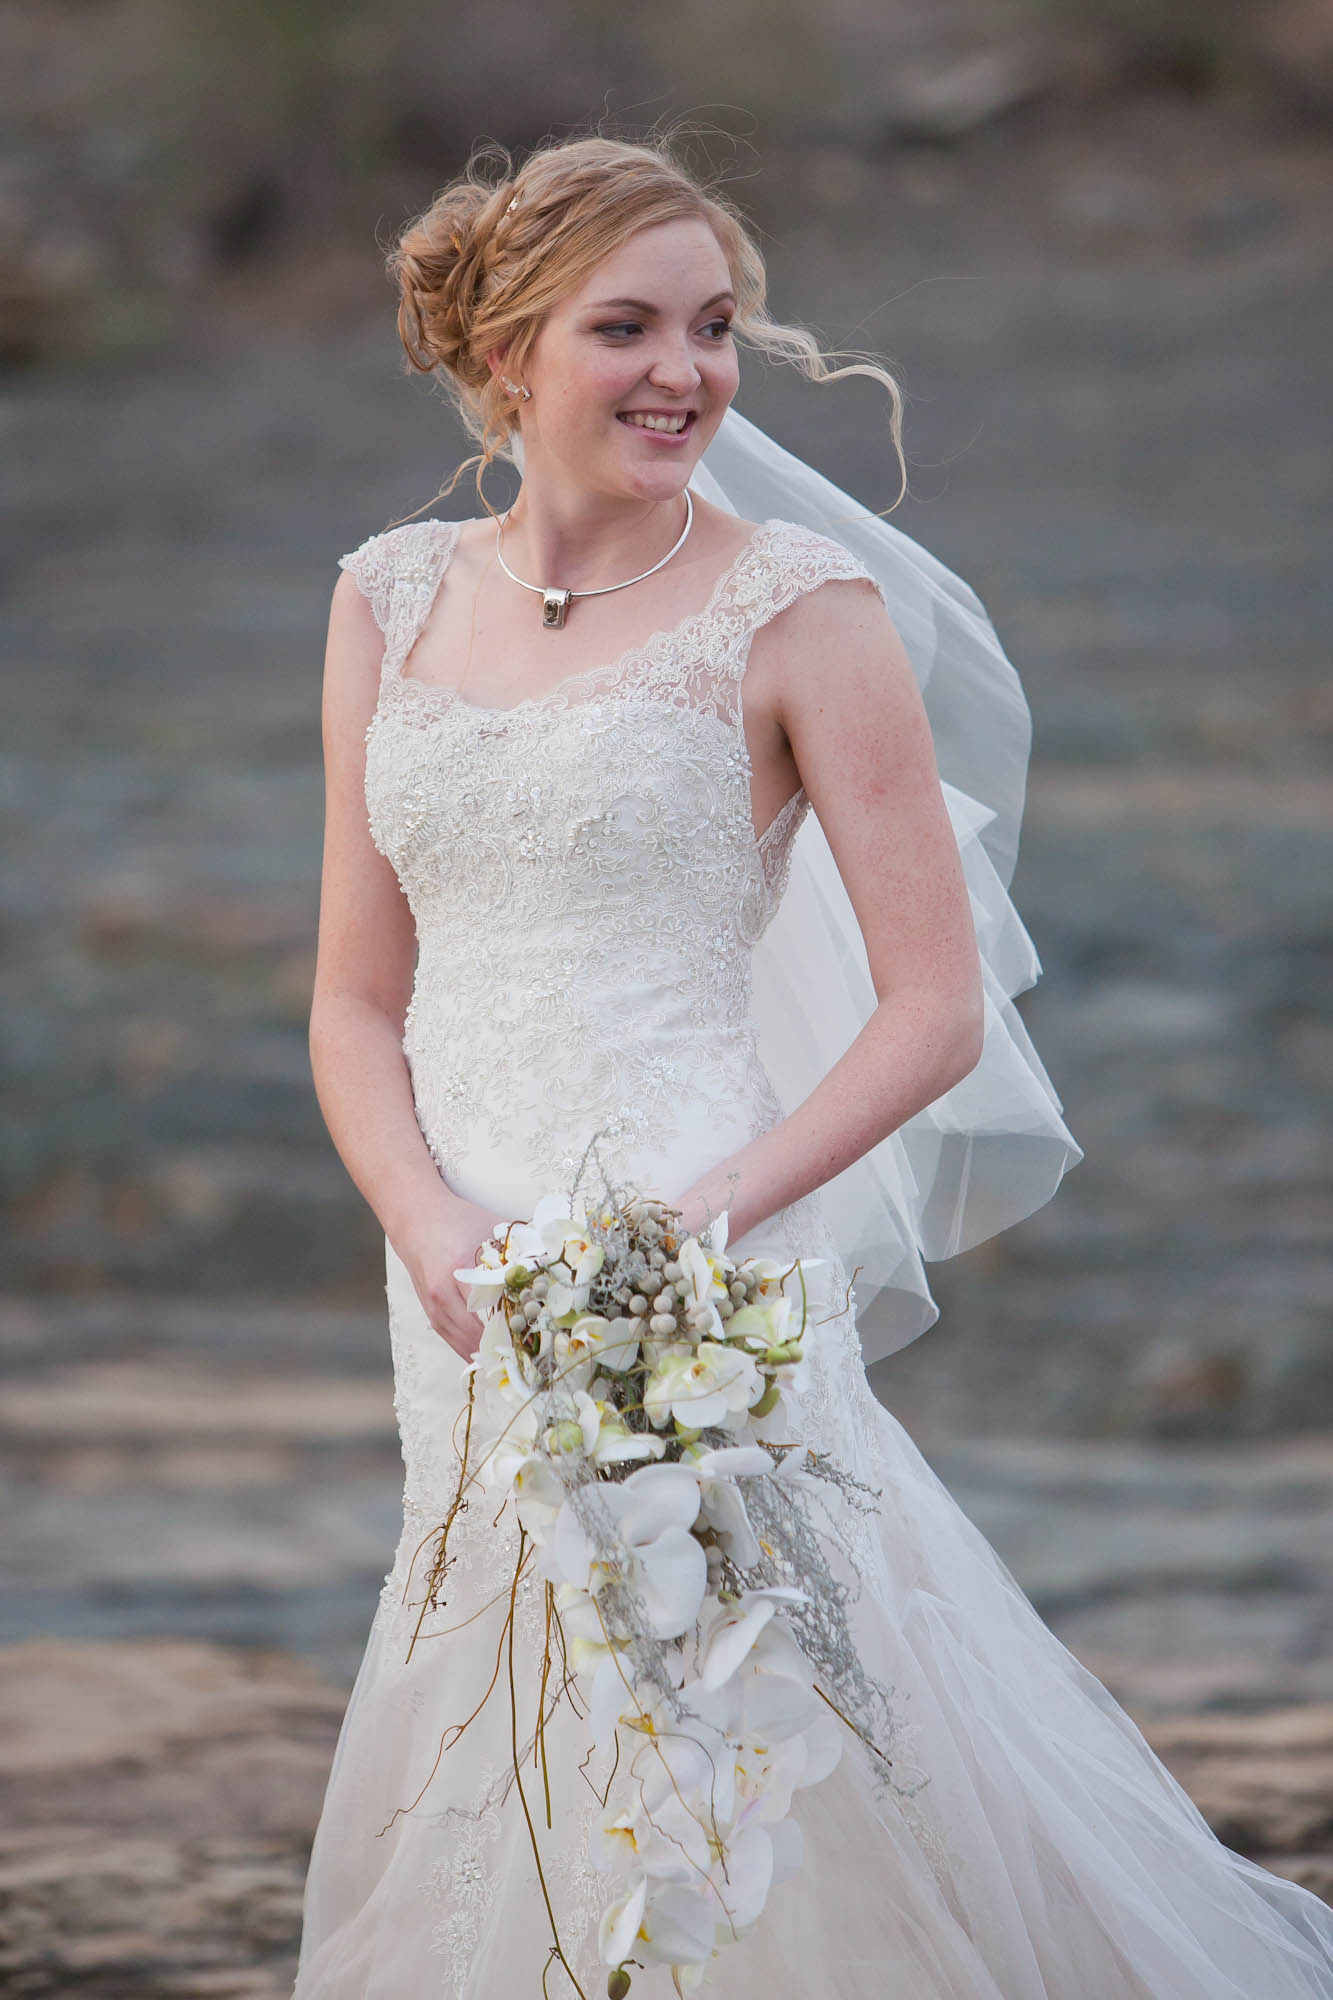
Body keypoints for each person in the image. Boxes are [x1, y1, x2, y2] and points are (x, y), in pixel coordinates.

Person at [293, 134, 1333, 1998]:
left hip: (703, 1252)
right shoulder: (387, 597)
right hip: (453, 1263)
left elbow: (931, 1006)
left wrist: (702, 1222)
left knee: (751, 1686)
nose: (686, 370)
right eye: (626, 327)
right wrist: (427, 1219)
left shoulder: (800, 609)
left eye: (713, 326)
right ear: (508, 352)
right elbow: (356, 1001)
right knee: (500, 1658)